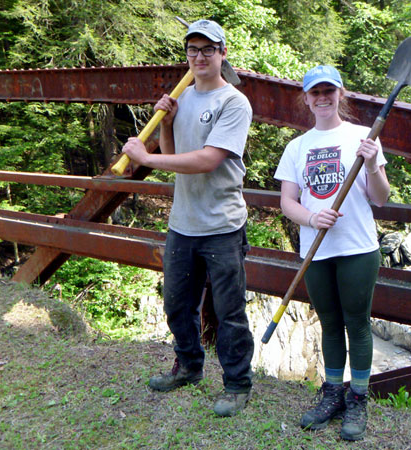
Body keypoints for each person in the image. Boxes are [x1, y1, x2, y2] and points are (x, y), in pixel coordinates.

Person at [122, 19, 254, 417]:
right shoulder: (183, 97)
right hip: (183, 222)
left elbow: (209, 160)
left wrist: (145, 158)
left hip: (223, 225)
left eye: (207, 50)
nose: (199, 57)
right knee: (177, 303)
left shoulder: (234, 102)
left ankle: (237, 385)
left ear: (223, 54)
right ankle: (189, 367)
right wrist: (165, 120)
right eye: (192, 50)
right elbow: (175, 153)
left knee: (229, 311)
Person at [274, 65, 390, 440]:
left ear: (341, 94)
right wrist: (312, 216)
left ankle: (358, 399)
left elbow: (381, 197)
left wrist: (371, 164)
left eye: (329, 91)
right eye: (315, 92)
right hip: (316, 250)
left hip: (357, 247)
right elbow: (287, 202)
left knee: (356, 323)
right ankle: (332, 394)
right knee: (328, 323)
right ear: (306, 98)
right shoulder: (297, 147)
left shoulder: (363, 137)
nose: (322, 98)